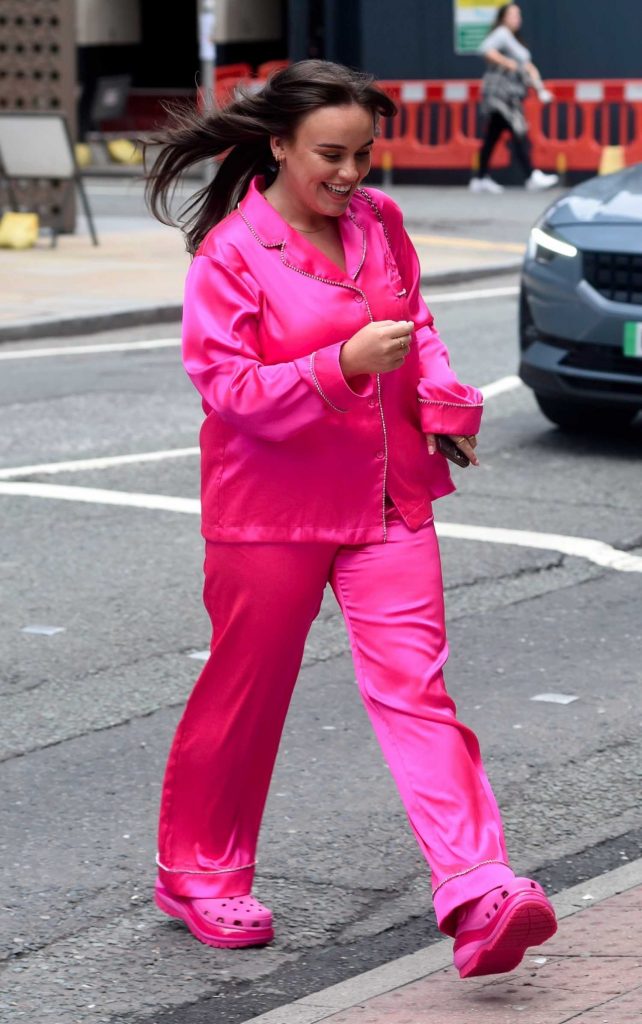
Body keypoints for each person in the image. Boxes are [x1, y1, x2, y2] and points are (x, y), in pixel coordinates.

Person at [145, 59, 557, 978]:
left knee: (418, 689)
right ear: (278, 144)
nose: (351, 174)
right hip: (269, 516)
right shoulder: (230, 255)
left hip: (387, 501)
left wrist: (443, 408)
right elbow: (229, 390)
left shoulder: (379, 224)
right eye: (330, 155)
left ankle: (478, 885)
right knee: (245, 697)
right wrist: (342, 364)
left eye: (364, 154)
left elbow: (418, 324)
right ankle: (199, 874)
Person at [470, 3, 559, 193]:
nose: (517, 18)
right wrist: (508, 63)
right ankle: (530, 175)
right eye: (513, 15)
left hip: (510, 96)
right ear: (503, 17)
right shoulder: (501, 33)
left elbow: (528, 66)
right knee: (518, 132)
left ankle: (480, 178)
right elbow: (485, 50)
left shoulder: (513, 39)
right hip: (500, 96)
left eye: (518, 15)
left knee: (493, 137)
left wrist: (540, 89)